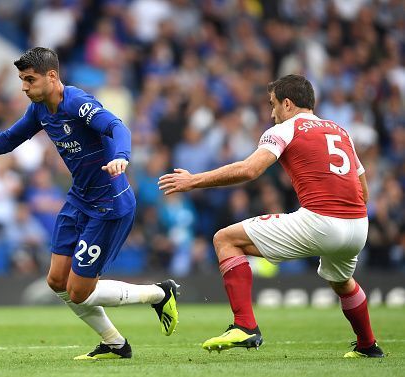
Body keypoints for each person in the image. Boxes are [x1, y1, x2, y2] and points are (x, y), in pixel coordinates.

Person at [0, 47, 179, 360]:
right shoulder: (39, 110)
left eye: (30, 79)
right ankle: (114, 343)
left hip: (109, 203)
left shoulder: (77, 102)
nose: (24, 86)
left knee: (79, 291)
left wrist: (121, 157)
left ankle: (159, 293)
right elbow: (9, 139)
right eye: (22, 80)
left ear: (52, 76)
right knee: (56, 280)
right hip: (80, 198)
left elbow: (118, 127)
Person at [158, 74, 384, 358]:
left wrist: (194, 180)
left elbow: (250, 170)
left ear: (287, 103)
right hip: (357, 227)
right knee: (342, 282)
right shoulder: (341, 131)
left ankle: (245, 326)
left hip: (321, 222)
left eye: (273, 104)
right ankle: (368, 346)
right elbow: (363, 191)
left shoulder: (285, 129)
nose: (271, 112)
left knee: (225, 240)